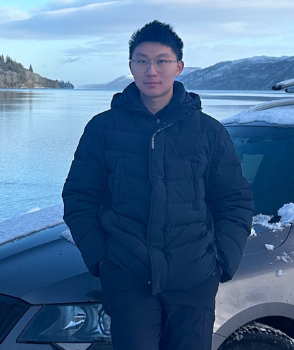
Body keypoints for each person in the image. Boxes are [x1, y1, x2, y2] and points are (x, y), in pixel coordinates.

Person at [62, 20, 254, 350]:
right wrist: (101, 259)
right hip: (128, 277)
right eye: (142, 61)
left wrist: (220, 263)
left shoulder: (209, 132)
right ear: (131, 67)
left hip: (194, 278)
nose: (152, 70)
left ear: (179, 66)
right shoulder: (103, 129)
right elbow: (79, 196)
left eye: (161, 60)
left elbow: (234, 200)